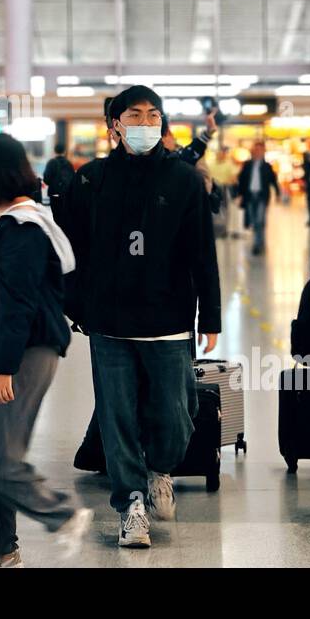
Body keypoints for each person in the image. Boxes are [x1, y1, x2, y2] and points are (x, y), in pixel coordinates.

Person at [61, 85, 221, 549]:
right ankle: (130, 504)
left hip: (169, 320)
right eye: (136, 115)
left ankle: (161, 470)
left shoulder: (185, 180)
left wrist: (209, 315)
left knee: (177, 416)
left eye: (154, 116)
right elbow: (69, 251)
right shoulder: (90, 180)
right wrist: (77, 307)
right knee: (117, 418)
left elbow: (203, 254)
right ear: (115, 124)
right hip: (109, 323)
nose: (146, 124)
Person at [0, 133, 92, 567]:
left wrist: (4, 366)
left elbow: (18, 303)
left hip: (19, 355)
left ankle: (60, 514)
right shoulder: (6, 220)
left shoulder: (23, 228)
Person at [237, 140, 279, 257]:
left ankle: (257, 244)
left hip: (262, 196)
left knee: (259, 220)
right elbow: (242, 180)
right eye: (256, 150)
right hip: (250, 196)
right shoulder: (247, 165)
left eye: (260, 150)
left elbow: (273, 180)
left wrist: (278, 193)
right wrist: (239, 194)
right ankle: (259, 240)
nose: (258, 152)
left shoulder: (267, 166)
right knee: (254, 220)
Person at [42, 141, 75, 225]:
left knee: (56, 217)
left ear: (54, 151)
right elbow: (73, 178)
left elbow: (46, 179)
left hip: (54, 193)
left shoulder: (51, 163)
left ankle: (58, 233)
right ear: (64, 151)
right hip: (66, 194)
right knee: (65, 217)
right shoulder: (69, 163)